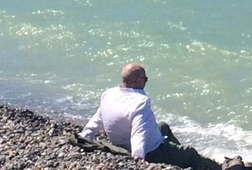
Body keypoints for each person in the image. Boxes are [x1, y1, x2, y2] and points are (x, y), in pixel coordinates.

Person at [79, 63, 220, 170]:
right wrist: (138, 157)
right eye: (145, 79)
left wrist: (85, 136)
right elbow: (138, 131)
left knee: (163, 126)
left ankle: (176, 155)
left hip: (120, 141)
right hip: (151, 150)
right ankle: (220, 167)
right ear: (137, 81)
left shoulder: (109, 94)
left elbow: (97, 119)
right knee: (190, 153)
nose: (145, 82)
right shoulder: (140, 101)